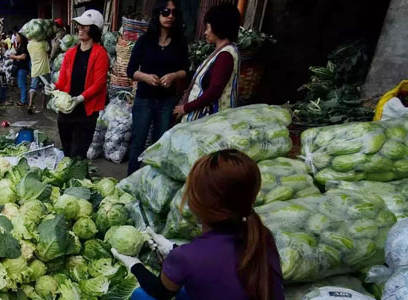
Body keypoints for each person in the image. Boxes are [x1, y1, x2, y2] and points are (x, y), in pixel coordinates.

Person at [112, 149, 285, 300]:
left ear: (199, 202)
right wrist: (172, 248)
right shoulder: (262, 236)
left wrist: (134, 265)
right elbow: (218, 264)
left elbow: (161, 292)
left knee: (141, 296)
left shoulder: (187, 257)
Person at [126, 0, 189, 175]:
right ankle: (130, 180)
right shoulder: (144, 41)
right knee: (138, 141)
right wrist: (146, 77)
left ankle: (151, 181)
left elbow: (186, 70)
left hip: (167, 101)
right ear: (157, 14)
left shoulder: (180, 43)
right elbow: (130, 71)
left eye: (174, 13)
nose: (170, 16)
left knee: (160, 142)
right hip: (144, 99)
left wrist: (174, 75)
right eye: (165, 12)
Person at [53, 9, 109, 158]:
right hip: (67, 110)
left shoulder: (100, 54)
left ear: (94, 29)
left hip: (86, 112)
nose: (80, 28)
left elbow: (99, 84)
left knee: (78, 153)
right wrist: (53, 87)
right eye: (79, 25)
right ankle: (71, 179)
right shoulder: (70, 53)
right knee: (67, 152)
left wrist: (80, 98)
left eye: (85, 26)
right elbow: (62, 81)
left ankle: (78, 177)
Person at [174, 4, 240, 122]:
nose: (205, 32)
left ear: (218, 27)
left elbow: (214, 91)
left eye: (208, 28)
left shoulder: (225, 55)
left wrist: (186, 108)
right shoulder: (223, 51)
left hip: (210, 119)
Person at [27, 36, 50, 113]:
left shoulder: (29, 45)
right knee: (46, 87)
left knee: (33, 87)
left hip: (35, 70)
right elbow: (48, 50)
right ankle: (43, 105)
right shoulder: (43, 42)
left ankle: (30, 104)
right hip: (44, 69)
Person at [9, 32, 29, 105]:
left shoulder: (24, 46)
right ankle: (23, 99)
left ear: (21, 37)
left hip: (22, 67)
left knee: (22, 84)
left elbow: (23, 56)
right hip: (19, 67)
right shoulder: (20, 45)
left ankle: (23, 101)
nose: (16, 38)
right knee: (21, 84)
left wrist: (13, 57)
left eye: (17, 37)